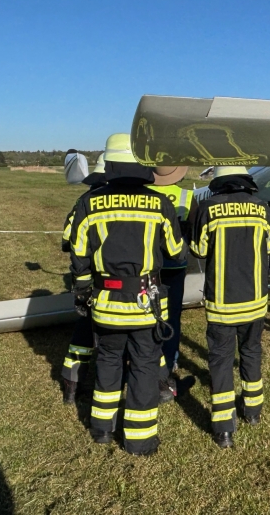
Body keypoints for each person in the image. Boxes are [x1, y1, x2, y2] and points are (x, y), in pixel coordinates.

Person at [70, 133, 186, 456]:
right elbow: (176, 252)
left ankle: (102, 429)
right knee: (144, 366)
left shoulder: (89, 203)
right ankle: (139, 440)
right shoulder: (160, 204)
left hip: (106, 304)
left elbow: (78, 254)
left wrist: (83, 290)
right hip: (145, 305)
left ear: (110, 164)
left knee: (108, 361)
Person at [189, 166, 270, 448]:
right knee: (251, 352)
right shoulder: (261, 207)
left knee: (220, 360)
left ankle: (224, 429)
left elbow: (198, 250)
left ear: (219, 183)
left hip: (222, 303)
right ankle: (253, 411)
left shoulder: (208, 208)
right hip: (255, 301)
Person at [148, 166, 198, 401]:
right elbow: (195, 231)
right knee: (172, 316)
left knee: (150, 315)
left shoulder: (145, 195)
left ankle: (149, 360)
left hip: (150, 267)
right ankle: (170, 361)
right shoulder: (187, 197)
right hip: (176, 266)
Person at [60, 153, 106, 404]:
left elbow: (67, 239)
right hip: (119, 281)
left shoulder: (84, 201)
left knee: (85, 330)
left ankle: (72, 385)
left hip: (88, 279)